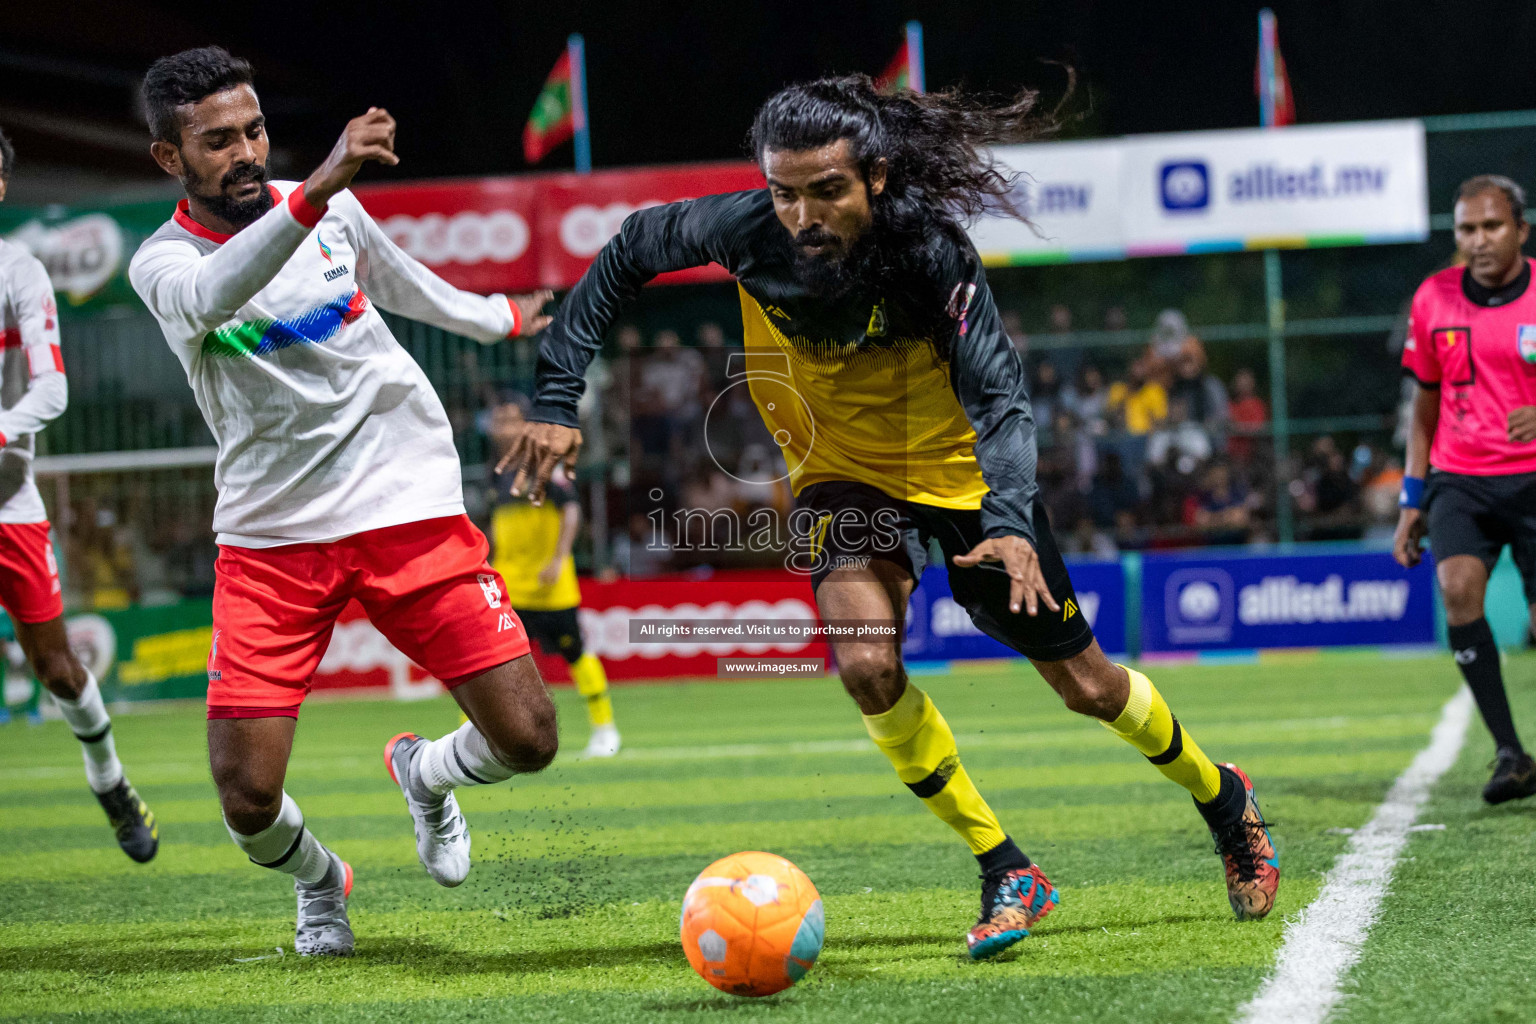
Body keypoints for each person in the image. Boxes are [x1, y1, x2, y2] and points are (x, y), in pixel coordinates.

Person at [502, 75, 1279, 960]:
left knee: (1089, 688)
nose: (802, 215)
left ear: (874, 176)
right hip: (838, 480)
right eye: (784, 192)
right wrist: (557, 400)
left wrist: (1014, 523)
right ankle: (1005, 866)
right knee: (867, 665)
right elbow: (630, 248)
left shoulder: (931, 254)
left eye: (826, 190)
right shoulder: (744, 230)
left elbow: (1002, 399)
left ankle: (1223, 799)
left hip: (960, 483)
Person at [127, 47, 558, 956]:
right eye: (216, 141)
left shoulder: (332, 212)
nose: (244, 152)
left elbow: (412, 290)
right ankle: (323, 882)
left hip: (407, 505)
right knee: (246, 800)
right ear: (171, 158)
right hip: (272, 537)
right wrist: (318, 183)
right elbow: (217, 290)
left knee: (529, 738)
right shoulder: (162, 264)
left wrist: (504, 318)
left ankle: (425, 772)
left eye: (254, 131)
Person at [0, 125, 158, 862]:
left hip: (9, 503)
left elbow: (53, 387)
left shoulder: (19, 271)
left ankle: (110, 779)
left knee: (59, 670)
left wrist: (3, 430)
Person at [1396, 173, 1536, 803]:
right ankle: (1510, 752)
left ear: (1521, 230)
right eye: (1466, 229)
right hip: (1462, 477)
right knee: (1457, 588)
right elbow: (1422, 411)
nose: (1478, 240)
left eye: (1492, 226)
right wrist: (1409, 500)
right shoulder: (1433, 300)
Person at [487, 399, 620, 757]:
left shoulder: (546, 462)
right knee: (490, 663)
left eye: (511, 420)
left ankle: (605, 729)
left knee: (575, 652)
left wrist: (559, 559)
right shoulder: (497, 471)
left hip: (550, 584)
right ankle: (480, 738)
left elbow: (572, 510)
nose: (503, 427)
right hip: (510, 585)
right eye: (499, 420)